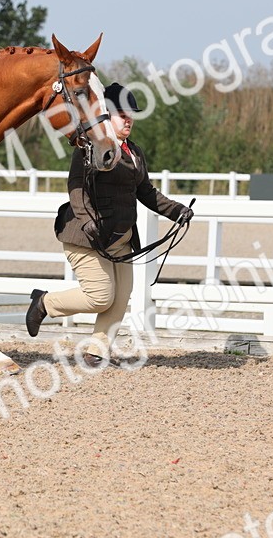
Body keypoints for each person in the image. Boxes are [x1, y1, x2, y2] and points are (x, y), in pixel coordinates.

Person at [26, 82, 193, 366]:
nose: (128, 119)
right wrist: (88, 221)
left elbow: (146, 192)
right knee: (100, 297)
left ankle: (95, 353)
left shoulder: (134, 152)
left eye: (131, 114)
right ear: (106, 115)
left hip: (121, 239)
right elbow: (76, 187)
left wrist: (177, 211)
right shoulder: (90, 145)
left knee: (120, 299)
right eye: (122, 114)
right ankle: (44, 303)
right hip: (86, 236)